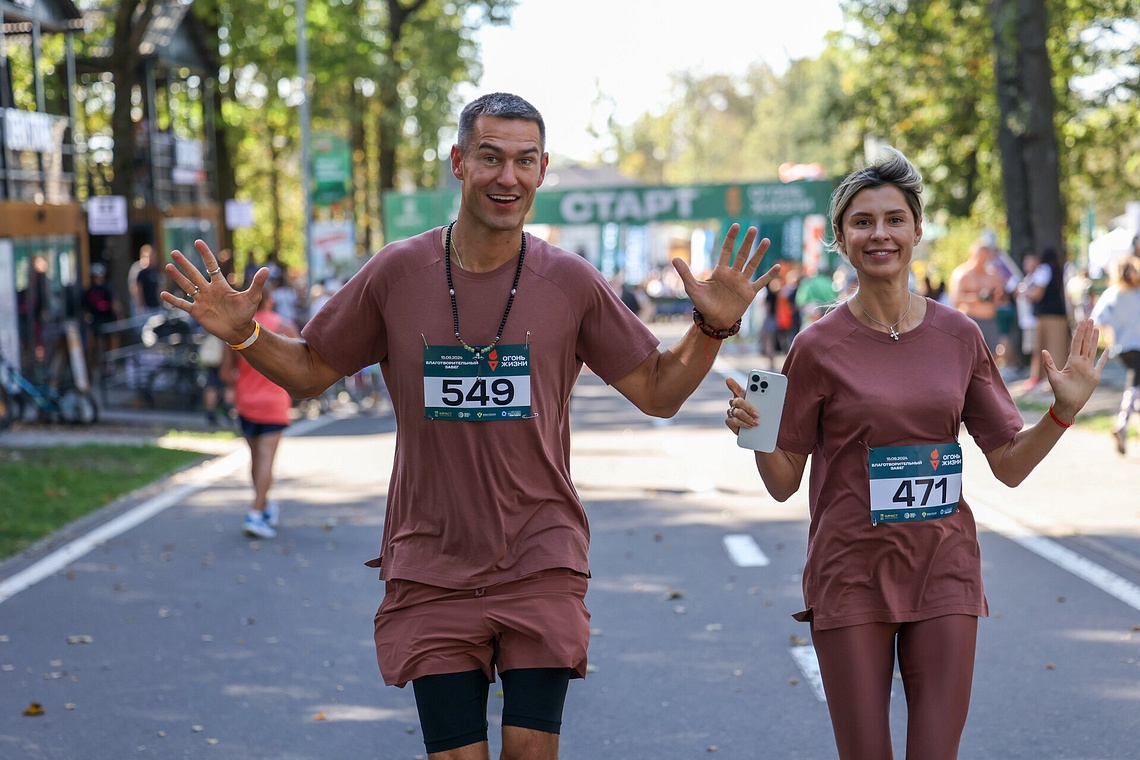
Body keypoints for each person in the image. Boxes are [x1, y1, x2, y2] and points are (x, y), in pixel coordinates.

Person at [159, 92, 779, 760]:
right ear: (459, 162)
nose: (506, 176)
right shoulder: (396, 272)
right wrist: (247, 334)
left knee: (530, 753)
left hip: (540, 555)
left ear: (542, 172)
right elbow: (311, 371)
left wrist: (711, 327)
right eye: (489, 157)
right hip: (431, 560)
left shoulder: (570, 281)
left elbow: (658, 391)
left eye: (523, 161)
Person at [725, 148, 1106, 760]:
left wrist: (1063, 413)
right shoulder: (816, 347)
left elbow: (1008, 463)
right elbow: (782, 483)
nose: (881, 234)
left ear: (917, 230)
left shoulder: (960, 336)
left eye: (895, 219)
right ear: (842, 240)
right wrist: (756, 434)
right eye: (863, 222)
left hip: (944, 571)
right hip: (851, 574)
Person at [219, 287, 299, 538]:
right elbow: (302, 365)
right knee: (266, 459)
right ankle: (256, 512)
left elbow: (224, 373)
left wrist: (242, 382)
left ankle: (263, 505)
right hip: (274, 402)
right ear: (270, 299)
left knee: (256, 458)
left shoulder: (235, 329)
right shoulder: (284, 326)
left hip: (246, 402)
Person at [1089, 254, 1140, 454]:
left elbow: (1097, 319)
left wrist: (1111, 333)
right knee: (1134, 383)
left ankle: (1123, 424)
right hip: (1137, 346)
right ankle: (1122, 423)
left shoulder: (1112, 293)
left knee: (1135, 382)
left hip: (1123, 348)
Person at [1020, 246, 1072, 392]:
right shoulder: (1058, 270)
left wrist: (1023, 293)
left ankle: (1049, 380)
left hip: (1046, 315)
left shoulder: (1043, 270)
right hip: (1059, 314)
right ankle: (1058, 379)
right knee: (1058, 348)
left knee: (1047, 349)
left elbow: (1037, 294)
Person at [948, 238, 1006, 355]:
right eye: (981, 255)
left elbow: (1002, 297)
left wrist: (996, 296)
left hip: (990, 319)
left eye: (986, 256)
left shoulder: (992, 274)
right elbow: (956, 299)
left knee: (992, 355)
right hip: (971, 319)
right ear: (973, 254)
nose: (983, 259)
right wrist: (977, 297)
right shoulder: (962, 274)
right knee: (969, 354)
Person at [81, 263, 120, 375]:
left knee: (112, 341)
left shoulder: (108, 287)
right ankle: (101, 366)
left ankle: (110, 365)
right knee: (99, 344)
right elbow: (85, 307)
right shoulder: (89, 290)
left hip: (109, 319)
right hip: (97, 321)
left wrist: (118, 317)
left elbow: (114, 303)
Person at [127, 244, 163, 319]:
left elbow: (158, 288)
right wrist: (141, 306)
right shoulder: (139, 272)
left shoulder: (154, 270)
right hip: (146, 308)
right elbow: (137, 290)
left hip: (156, 306)